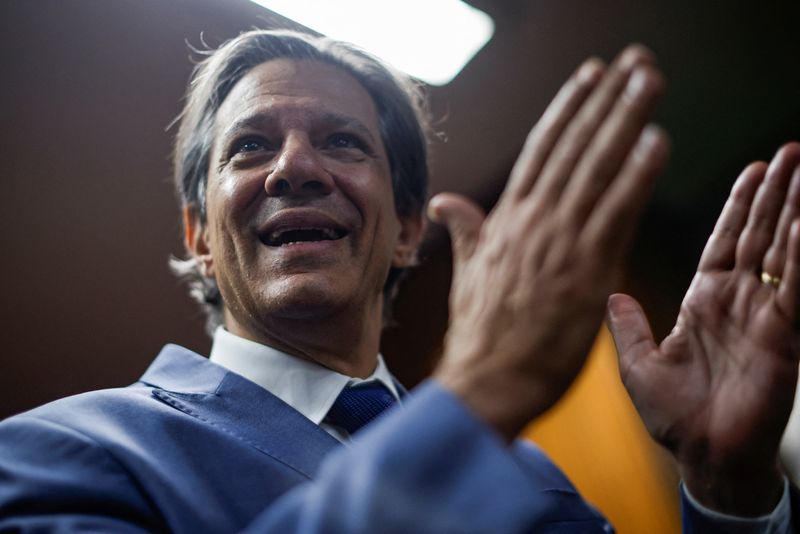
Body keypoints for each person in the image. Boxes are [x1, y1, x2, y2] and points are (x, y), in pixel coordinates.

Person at [0, 28, 797, 532]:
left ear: (409, 229)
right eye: (250, 147)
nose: (296, 168)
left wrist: (728, 492)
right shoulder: (55, 454)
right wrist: (481, 393)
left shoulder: (537, 488)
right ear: (200, 236)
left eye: (343, 143)